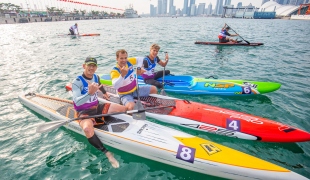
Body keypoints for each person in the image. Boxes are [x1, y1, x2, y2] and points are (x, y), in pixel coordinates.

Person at [72, 56, 127, 168]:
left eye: (93, 66)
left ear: (96, 68)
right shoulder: (77, 82)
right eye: (89, 65)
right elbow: (77, 102)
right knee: (87, 129)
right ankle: (107, 153)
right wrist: (89, 94)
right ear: (84, 66)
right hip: (84, 111)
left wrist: (105, 93)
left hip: (96, 107)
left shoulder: (96, 77)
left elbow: (100, 85)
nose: (91, 68)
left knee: (124, 109)